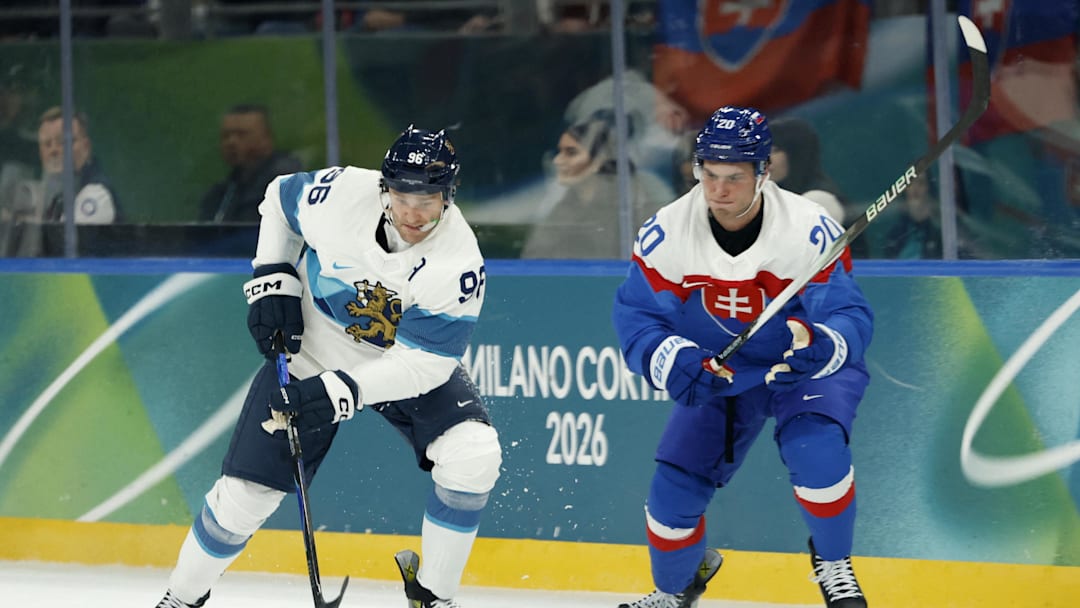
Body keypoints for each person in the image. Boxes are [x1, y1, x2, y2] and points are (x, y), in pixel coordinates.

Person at [156, 126, 502, 608]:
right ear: (385, 188)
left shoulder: (458, 264)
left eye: (430, 198)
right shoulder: (341, 195)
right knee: (244, 497)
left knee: (474, 454)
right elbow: (279, 199)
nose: (414, 212)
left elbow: (425, 364)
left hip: (398, 360)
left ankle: (434, 598)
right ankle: (180, 599)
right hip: (313, 349)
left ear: (449, 195)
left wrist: (346, 389)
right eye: (403, 195)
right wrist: (273, 276)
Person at [611, 106, 873, 608]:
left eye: (734, 178)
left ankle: (834, 563)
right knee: (670, 498)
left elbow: (848, 314)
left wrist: (822, 345)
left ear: (764, 172)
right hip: (723, 370)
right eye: (709, 175)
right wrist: (675, 360)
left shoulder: (807, 229)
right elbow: (638, 318)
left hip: (803, 365)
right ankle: (675, 589)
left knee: (815, 452)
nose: (719, 190)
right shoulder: (668, 233)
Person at [520, 109, 672, 259]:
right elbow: (533, 258)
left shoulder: (636, 198)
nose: (558, 161)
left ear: (600, 158)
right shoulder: (564, 204)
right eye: (559, 152)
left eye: (571, 153)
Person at [198, 104, 302, 223]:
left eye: (241, 134)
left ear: (266, 139)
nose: (231, 142)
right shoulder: (220, 194)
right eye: (226, 136)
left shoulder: (286, 185)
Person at [768, 116, 846, 225]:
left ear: (796, 154)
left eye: (774, 150)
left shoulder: (817, 200)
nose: (765, 160)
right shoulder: (778, 200)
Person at [881, 172, 941, 259]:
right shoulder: (895, 236)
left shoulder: (939, 234)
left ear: (929, 188)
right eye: (910, 183)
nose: (915, 188)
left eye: (920, 183)